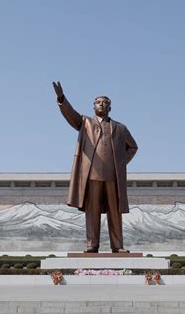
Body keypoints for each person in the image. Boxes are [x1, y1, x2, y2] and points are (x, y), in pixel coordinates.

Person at [52, 81, 138, 253]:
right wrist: (62, 99)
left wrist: (120, 163)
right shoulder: (85, 123)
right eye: (98, 102)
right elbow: (71, 115)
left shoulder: (120, 128)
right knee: (93, 212)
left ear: (110, 108)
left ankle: (118, 246)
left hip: (113, 176)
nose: (102, 104)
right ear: (93, 107)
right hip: (92, 175)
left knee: (115, 212)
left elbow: (133, 147)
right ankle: (92, 244)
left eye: (105, 102)